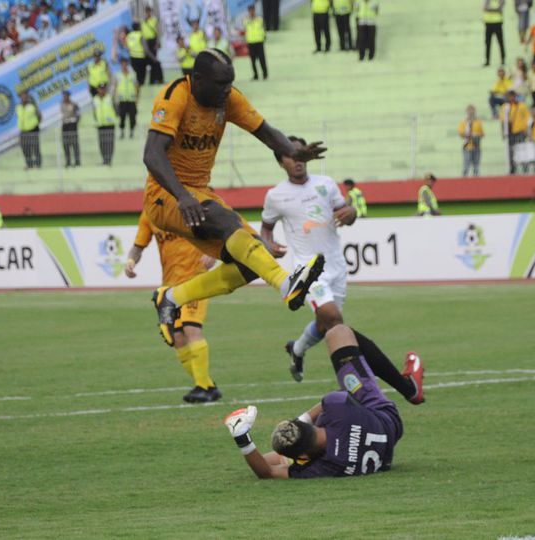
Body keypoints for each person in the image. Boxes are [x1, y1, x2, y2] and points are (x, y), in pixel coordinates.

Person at [143, 49, 327, 347]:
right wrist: (182, 195)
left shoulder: (227, 99)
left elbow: (266, 133)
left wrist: (293, 153)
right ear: (198, 79)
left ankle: (171, 298)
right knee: (229, 223)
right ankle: (285, 284)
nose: (227, 90)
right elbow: (152, 154)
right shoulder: (175, 96)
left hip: (200, 193)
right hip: (165, 195)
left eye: (230, 83)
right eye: (220, 84)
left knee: (251, 262)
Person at [222, 324, 425, 479]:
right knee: (338, 332)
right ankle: (409, 388)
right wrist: (299, 422)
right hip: (384, 416)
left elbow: (265, 470)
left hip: (384, 443)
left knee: (269, 457)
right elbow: (341, 397)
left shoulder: (328, 464)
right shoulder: (337, 409)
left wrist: (242, 438)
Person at [261, 135, 357, 381]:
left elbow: (345, 213)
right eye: (290, 155)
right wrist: (268, 244)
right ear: (281, 162)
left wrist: (351, 213)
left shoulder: (326, 184)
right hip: (308, 271)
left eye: (300, 153)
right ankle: (352, 378)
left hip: (336, 265)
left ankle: (297, 349)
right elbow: (266, 227)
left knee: (325, 324)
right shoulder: (276, 195)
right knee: (336, 321)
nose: (297, 160)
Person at [126, 212, 221, 403]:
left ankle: (202, 388)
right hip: (170, 287)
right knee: (177, 337)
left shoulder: (190, 209)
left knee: (191, 328)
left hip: (197, 280)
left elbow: (217, 231)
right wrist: (131, 261)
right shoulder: (151, 215)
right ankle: (208, 386)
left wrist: (213, 252)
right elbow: (138, 246)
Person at [500, 90, 531, 174]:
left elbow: (528, 118)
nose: (510, 98)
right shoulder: (505, 107)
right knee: (510, 152)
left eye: (512, 96)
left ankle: (525, 169)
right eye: (508, 96)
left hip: (520, 132)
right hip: (510, 133)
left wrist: (526, 130)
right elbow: (503, 121)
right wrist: (503, 132)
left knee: (522, 150)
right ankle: (512, 169)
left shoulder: (521, 106)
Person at [115, 57, 139, 139]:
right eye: (122, 63)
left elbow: (136, 86)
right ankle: (122, 132)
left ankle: (132, 131)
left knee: (132, 116)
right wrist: (116, 99)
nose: (124, 65)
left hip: (131, 99)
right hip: (122, 99)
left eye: (125, 63)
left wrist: (137, 98)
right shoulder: (118, 75)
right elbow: (116, 87)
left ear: (127, 64)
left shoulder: (133, 74)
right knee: (122, 117)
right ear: (121, 64)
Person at [93, 83, 117, 165]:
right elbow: (94, 111)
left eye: (103, 89)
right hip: (100, 124)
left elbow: (116, 108)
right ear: (97, 90)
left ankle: (109, 160)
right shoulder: (95, 99)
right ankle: (104, 160)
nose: (102, 90)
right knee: (102, 143)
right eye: (100, 89)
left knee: (110, 143)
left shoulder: (109, 97)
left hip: (109, 124)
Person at [16, 91, 41, 169]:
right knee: (25, 149)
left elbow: (39, 116)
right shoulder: (18, 107)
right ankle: (29, 164)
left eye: (25, 96)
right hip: (23, 131)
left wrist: (35, 124)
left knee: (35, 148)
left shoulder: (32, 105)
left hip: (33, 129)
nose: (23, 98)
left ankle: (38, 164)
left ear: (27, 97)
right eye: (22, 97)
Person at [459, 105, 484, 176]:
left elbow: (482, 133)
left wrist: (476, 135)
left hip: (476, 145)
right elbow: (461, 133)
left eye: (472, 110)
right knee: (466, 164)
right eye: (469, 110)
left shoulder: (478, 122)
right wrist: (468, 134)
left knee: (476, 165)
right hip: (467, 146)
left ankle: (476, 180)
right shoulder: (463, 122)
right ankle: (464, 180)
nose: (471, 112)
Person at [142, 5, 164, 85]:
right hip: (146, 42)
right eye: (146, 11)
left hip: (153, 41)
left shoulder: (154, 20)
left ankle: (154, 79)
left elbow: (157, 32)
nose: (147, 13)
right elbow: (142, 33)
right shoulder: (143, 21)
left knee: (154, 61)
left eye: (149, 11)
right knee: (152, 61)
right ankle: (155, 79)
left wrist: (157, 42)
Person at [245, 4, 267, 81]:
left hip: (259, 41)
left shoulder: (259, 19)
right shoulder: (246, 21)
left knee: (262, 59)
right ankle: (255, 75)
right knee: (253, 60)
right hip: (251, 42)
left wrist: (264, 36)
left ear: (254, 10)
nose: (251, 12)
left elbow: (264, 28)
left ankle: (265, 74)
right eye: (250, 10)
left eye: (252, 10)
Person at [60, 90, 81, 167]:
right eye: (64, 96)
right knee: (65, 144)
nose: (65, 97)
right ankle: (68, 161)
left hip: (72, 125)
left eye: (66, 96)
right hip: (65, 125)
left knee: (74, 144)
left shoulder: (74, 104)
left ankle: (77, 161)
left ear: (69, 96)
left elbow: (78, 114)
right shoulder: (61, 104)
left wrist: (75, 121)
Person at [126, 22, 149, 87]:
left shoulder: (129, 35)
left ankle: (137, 86)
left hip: (132, 57)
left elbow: (127, 46)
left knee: (136, 74)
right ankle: (141, 87)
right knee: (142, 74)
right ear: (138, 27)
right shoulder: (140, 35)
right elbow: (146, 49)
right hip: (140, 57)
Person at [483, 0, 505, 67]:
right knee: (488, 43)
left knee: (500, 42)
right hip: (488, 23)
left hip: (498, 22)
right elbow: (484, 8)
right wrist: (496, 9)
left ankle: (503, 59)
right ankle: (487, 60)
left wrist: (490, 9)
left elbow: (500, 8)